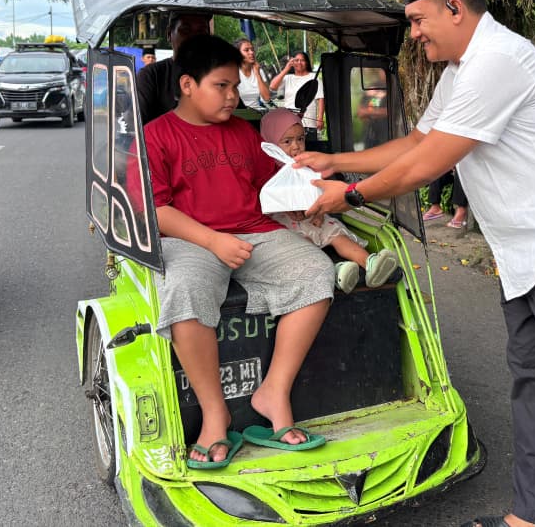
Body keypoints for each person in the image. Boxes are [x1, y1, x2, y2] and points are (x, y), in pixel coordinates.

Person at [296, 0, 535, 527]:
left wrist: (351, 196)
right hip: (525, 258)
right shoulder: (460, 73)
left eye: (417, 21)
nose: (414, 35)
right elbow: (415, 141)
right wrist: (335, 160)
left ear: (454, 8)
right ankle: (533, 518)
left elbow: (426, 164)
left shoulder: (499, 61)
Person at [143, 34, 332, 468]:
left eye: (235, 87)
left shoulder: (244, 133)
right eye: (222, 86)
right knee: (185, 290)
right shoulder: (156, 136)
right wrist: (212, 241)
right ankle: (215, 414)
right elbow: (156, 210)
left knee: (315, 272)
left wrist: (308, 201)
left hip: (255, 232)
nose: (234, 96)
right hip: (190, 239)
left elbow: (276, 179)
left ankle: (273, 393)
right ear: (188, 84)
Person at [259, 108, 397, 293]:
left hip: (315, 217)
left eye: (300, 139)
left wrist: (320, 212)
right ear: (271, 143)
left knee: (336, 235)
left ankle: (370, 263)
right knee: (302, 247)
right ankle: (335, 272)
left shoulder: (307, 165)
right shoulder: (267, 171)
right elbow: (265, 204)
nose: (296, 146)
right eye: (287, 141)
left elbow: (320, 190)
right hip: (285, 224)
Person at [136, 12, 211, 124]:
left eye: (201, 31)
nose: (194, 38)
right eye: (185, 30)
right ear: (169, 34)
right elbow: (139, 128)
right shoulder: (151, 75)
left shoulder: (217, 75)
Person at [269, 50, 324, 137]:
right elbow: (272, 86)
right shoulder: (288, 78)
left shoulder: (314, 77)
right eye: (296, 60)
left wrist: (320, 118)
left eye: (302, 60)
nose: (299, 63)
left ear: (307, 63)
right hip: (289, 124)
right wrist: (286, 69)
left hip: (308, 124)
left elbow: (320, 98)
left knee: (310, 147)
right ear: (292, 62)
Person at [233, 37, 271, 111]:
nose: (252, 52)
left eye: (252, 49)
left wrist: (257, 73)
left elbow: (267, 98)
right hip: (239, 113)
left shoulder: (259, 71)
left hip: (257, 113)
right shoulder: (233, 71)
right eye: (246, 50)